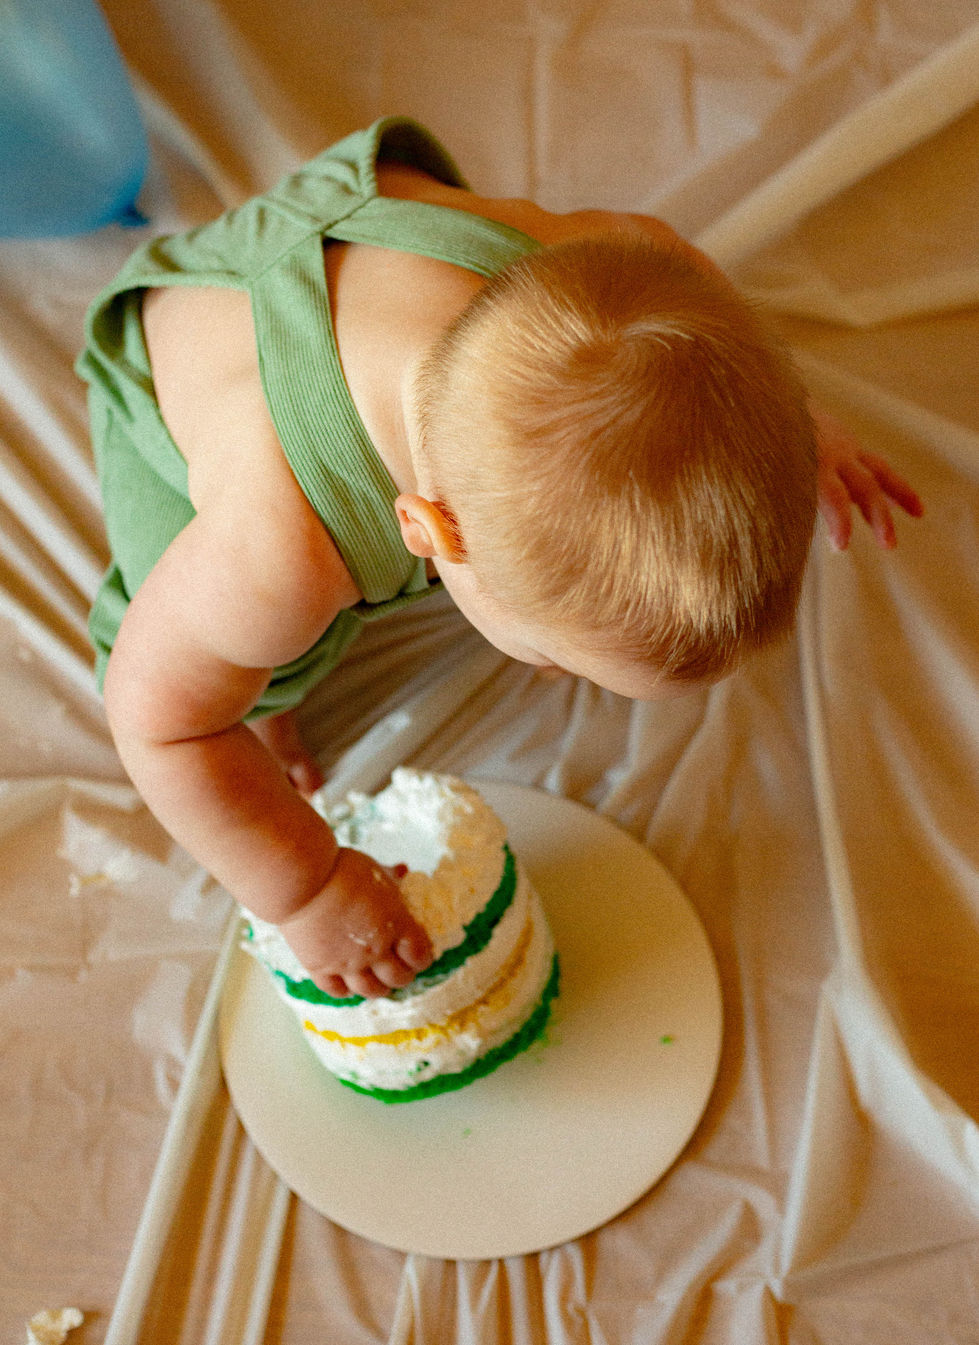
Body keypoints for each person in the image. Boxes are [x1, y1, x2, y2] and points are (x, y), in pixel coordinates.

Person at [77, 118, 923, 1003]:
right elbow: (156, 723)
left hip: (366, 236)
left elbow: (681, 268)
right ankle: (265, 715)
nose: (559, 670)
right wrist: (305, 884)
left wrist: (784, 424)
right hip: (182, 348)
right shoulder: (280, 547)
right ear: (430, 535)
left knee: (654, 372)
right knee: (235, 667)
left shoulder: (612, 264)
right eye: (553, 652)